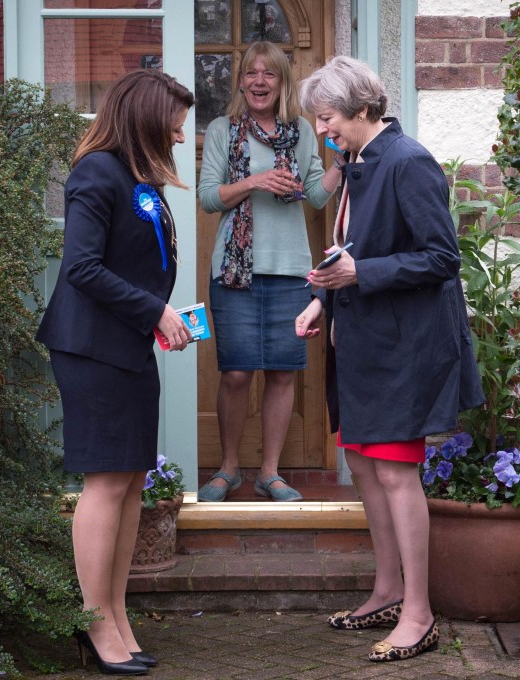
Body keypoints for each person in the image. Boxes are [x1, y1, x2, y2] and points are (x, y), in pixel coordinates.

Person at [294, 56, 485, 663]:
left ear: (362, 108)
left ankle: (420, 614)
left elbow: (442, 258)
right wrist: (324, 297)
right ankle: (387, 590)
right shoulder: (356, 162)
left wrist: (359, 274)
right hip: (364, 341)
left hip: (406, 347)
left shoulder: (409, 161)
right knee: (364, 464)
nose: (324, 132)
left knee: (397, 472)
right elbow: (354, 248)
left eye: (328, 119)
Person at [36, 69, 195, 676]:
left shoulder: (136, 175)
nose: (180, 137)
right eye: (175, 125)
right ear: (147, 118)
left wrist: (158, 316)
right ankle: (94, 623)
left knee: (131, 481)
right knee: (105, 483)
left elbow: (139, 262)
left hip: (127, 344)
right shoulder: (96, 172)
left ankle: (118, 615)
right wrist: (154, 309)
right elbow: (81, 268)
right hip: (91, 349)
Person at [197, 41, 343, 503]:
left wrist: (346, 159)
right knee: (237, 373)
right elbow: (208, 198)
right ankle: (228, 468)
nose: (260, 81)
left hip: (290, 270)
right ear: (241, 80)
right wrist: (257, 181)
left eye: (270, 74)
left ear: (281, 82)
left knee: (282, 372)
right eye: (251, 73)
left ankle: (270, 472)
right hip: (234, 272)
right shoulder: (223, 130)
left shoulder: (301, 132)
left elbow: (317, 196)